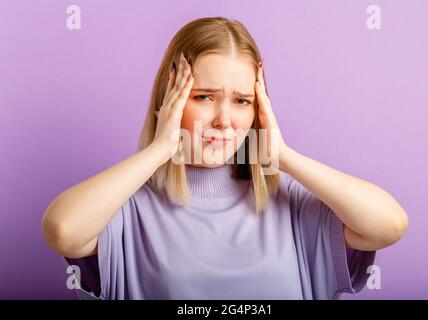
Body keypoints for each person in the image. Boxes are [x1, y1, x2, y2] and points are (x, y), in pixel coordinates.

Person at [41, 17, 408, 300]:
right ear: (168, 101)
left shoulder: (295, 205)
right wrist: (157, 151)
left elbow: (389, 224)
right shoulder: (125, 209)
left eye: (241, 101)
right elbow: (62, 230)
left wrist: (282, 156)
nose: (224, 119)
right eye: (203, 97)